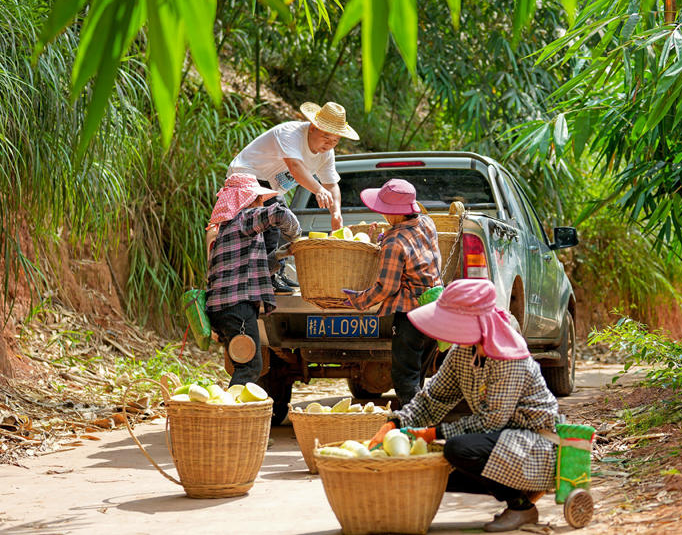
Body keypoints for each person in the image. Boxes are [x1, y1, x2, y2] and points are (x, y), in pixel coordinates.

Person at [368, 279, 561, 532]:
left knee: (458, 449)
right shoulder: (463, 352)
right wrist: (394, 423)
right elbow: (433, 398)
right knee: (436, 475)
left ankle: (521, 506)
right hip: (503, 442)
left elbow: (491, 422)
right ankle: (521, 490)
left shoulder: (509, 357)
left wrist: (432, 433)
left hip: (538, 447)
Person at [225, 101, 359, 295]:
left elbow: (331, 184)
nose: (329, 145)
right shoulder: (291, 134)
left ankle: (276, 271)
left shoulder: (326, 153)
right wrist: (317, 189)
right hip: (247, 175)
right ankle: (268, 278)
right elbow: (295, 168)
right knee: (272, 224)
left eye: (335, 141)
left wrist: (336, 211)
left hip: (271, 187)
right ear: (313, 127)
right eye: (326, 137)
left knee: (286, 226)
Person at [342, 179, 442, 407]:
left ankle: (415, 427)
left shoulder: (394, 242)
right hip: (435, 311)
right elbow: (413, 246)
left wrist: (358, 301)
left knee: (405, 378)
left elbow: (386, 287)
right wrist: (383, 237)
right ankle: (422, 425)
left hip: (410, 316)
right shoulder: (427, 223)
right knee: (417, 375)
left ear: (394, 213)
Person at [205, 173, 301, 387]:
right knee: (249, 367)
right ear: (245, 199)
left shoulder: (227, 229)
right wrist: (296, 235)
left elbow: (254, 268)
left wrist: (280, 254)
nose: (260, 202)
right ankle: (234, 415)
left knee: (245, 364)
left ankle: (234, 410)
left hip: (224, 307)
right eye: (257, 198)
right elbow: (278, 214)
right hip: (237, 307)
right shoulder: (243, 219)